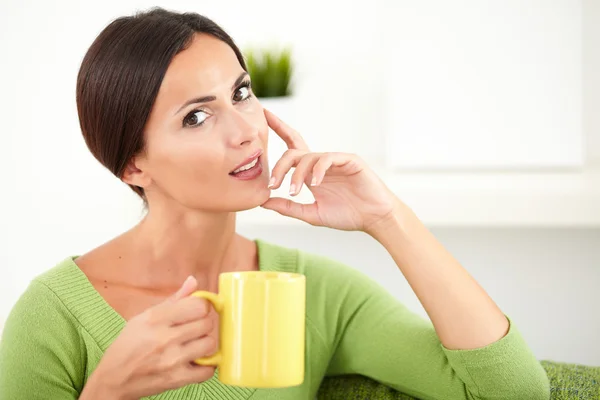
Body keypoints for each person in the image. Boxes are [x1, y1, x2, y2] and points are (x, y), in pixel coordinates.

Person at [0, 7, 549, 400]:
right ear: (132, 166)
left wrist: (388, 218)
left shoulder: (314, 293)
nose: (246, 130)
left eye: (240, 93)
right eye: (196, 116)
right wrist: (108, 393)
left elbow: (515, 392)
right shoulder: (55, 315)